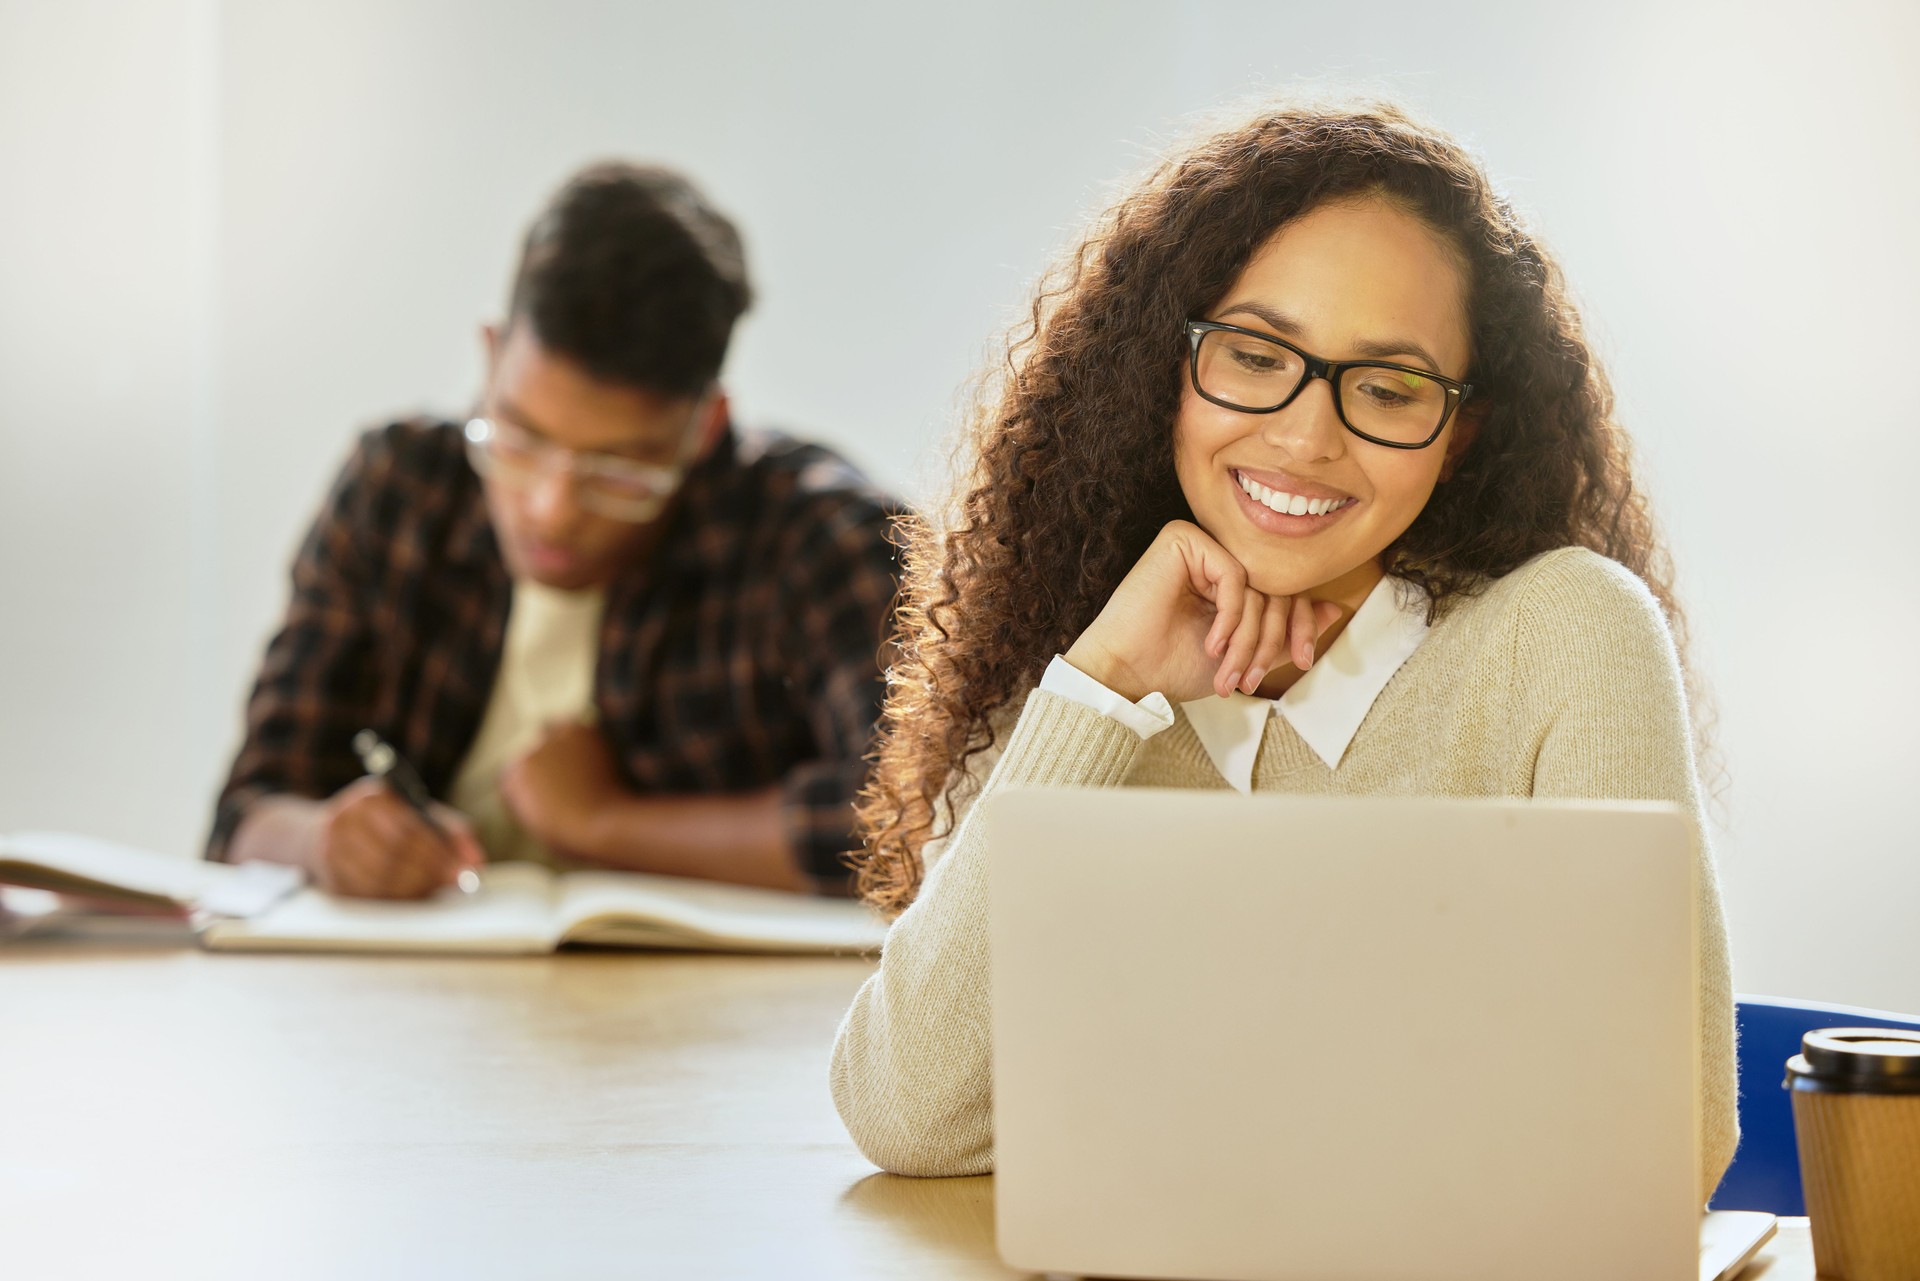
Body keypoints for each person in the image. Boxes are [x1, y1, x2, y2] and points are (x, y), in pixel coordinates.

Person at [829, 101, 1738, 1203]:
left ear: (1463, 436)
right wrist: (1102, 690)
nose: (1307, 437)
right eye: (1256, 356)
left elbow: (1656, 1149)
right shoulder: (1081, 667)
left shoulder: (1564, 635)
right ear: (1162, 370)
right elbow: (910, 1114)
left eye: (1389, 388)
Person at [208, 163, 901, 899]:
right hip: (394, 1006)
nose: (551, 508)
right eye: (518, 437)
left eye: (618, 472)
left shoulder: (818, 534)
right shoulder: (400, 490)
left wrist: (605, 823)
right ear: (490, 354)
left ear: (705, 431)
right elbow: (246, 816)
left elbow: (922, 813)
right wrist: (324, 841)